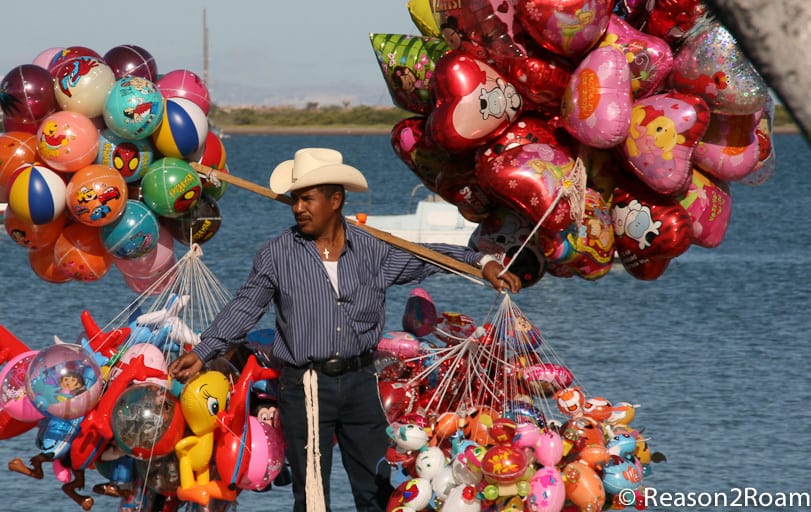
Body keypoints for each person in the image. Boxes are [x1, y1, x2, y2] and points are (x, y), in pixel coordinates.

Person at [168, 147, 522, 512]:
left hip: (360, 382)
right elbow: (245, 307)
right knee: (314, 496)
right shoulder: (277, 255)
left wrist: (482, 263)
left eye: (307, 199)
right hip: (305, 385)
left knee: (377, 485)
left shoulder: (373, 249)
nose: (297, 208)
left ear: (335, 200)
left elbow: (428, 256)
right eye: (294, 199)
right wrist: (202, 351)